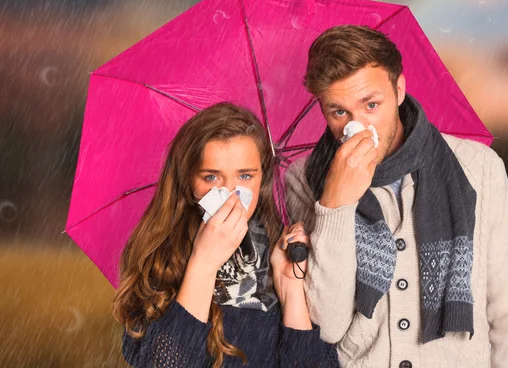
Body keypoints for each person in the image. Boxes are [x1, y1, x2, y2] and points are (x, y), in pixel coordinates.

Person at [284, 25, 508, 367]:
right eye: (338, 112)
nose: (357, 126)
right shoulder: (305, 178)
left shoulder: (478, 167)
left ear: (399, 89)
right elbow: (327, 324)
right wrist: (335, 204)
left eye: (371, 104)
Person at [113, 103, 339, 367]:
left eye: (245, 176)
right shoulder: (161, 263)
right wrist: (204, 264)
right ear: (188, 183)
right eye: (211, 177)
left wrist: (290, 291)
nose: (231, 192)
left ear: (262, 180)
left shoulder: (282, 255)